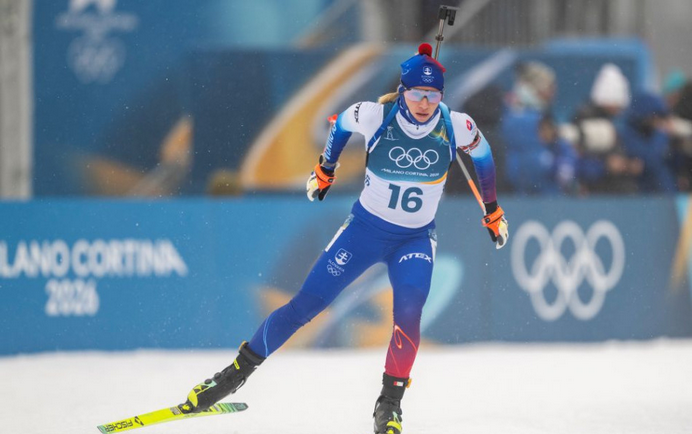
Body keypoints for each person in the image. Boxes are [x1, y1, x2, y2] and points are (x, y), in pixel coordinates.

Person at [178, 43, 509, 434]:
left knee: (408, 316)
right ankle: (233, 375)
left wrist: (492, 209)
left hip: (414, 240)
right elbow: (339, 126)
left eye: (433, 95)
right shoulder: (374, 115)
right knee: (305, 306)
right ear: (402, 91)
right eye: (418, 94)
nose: (425, 104)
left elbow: (483, 155)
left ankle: (389, 405)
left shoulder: (455, 125)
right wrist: (326, 170)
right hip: (364, 232)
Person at [500, 61, 578, 195]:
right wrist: (557, 165)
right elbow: (532, 165)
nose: (554, 92)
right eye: (549, 87)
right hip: (532, 195)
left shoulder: (536, 114)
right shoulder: (520, 118)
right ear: (536, 88)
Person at [569, 63, 642, 194]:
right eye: (617, 103)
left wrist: (626, 164)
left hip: (610, 189)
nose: (619, 109)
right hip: (596, 191)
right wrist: (605, 166)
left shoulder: (611, 121)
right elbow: (575, 161)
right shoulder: (584, 120)